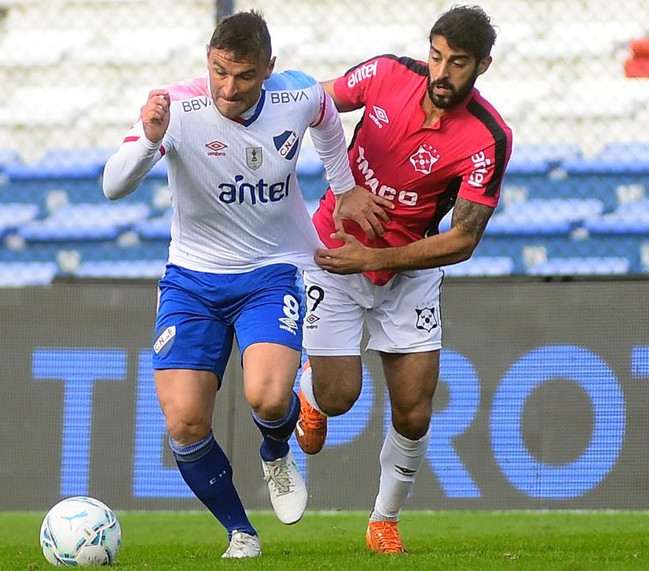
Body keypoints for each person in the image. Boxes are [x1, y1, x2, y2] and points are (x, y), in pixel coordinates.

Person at [102, 10, 390, 559]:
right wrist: (148, 139)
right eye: (219, 72)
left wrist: (345, 187)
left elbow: (329, 119)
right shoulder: (178, 109)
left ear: (269, 70)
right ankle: (240, 531)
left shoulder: (297, 94)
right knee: (185, 422)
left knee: (270, 394)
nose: (228, 90)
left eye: (244, 76)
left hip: (272, 270)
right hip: (191, 280)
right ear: (207, 62)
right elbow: (114, 185)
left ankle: (276, 450)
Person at [296, 5, 513, 554]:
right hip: (337, 252)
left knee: (415, 410)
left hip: (406, 269)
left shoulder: (488, 137)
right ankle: (312, 392)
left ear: (482, 66)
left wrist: (381, 260)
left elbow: (463, 240)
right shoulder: (388, 73)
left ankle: (383, 521)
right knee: (340, 396)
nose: (442, 73)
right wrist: (341, 185)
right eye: (437, 56)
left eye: (457, 63)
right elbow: (310, 102)